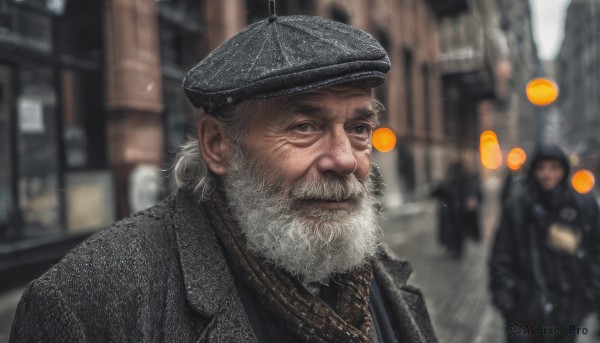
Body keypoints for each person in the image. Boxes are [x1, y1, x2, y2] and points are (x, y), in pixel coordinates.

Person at [10, 12, 437, 343]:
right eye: (304, 126)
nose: (345, 160)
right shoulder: (89, 301)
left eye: (359, 129)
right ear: (218, 144)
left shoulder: (385, 275)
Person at [489, 144, 600, 343]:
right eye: (541, 168)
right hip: (523, 304)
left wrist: (590, 293)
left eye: (554, 168)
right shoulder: (517, 205)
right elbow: (502, 252)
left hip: (567, 306)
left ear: (563, 170)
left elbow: (596, 250)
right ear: (533, 171)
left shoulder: (582, 205)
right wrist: (503, 291)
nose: (547, 174)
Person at [431, 160, 481, 259]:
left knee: (457, 231)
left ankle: (456, 249)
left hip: (456, 210)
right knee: (455, 230)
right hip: (454, 210)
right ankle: (455, 248)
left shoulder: (459, 179)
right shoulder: (455, 180)